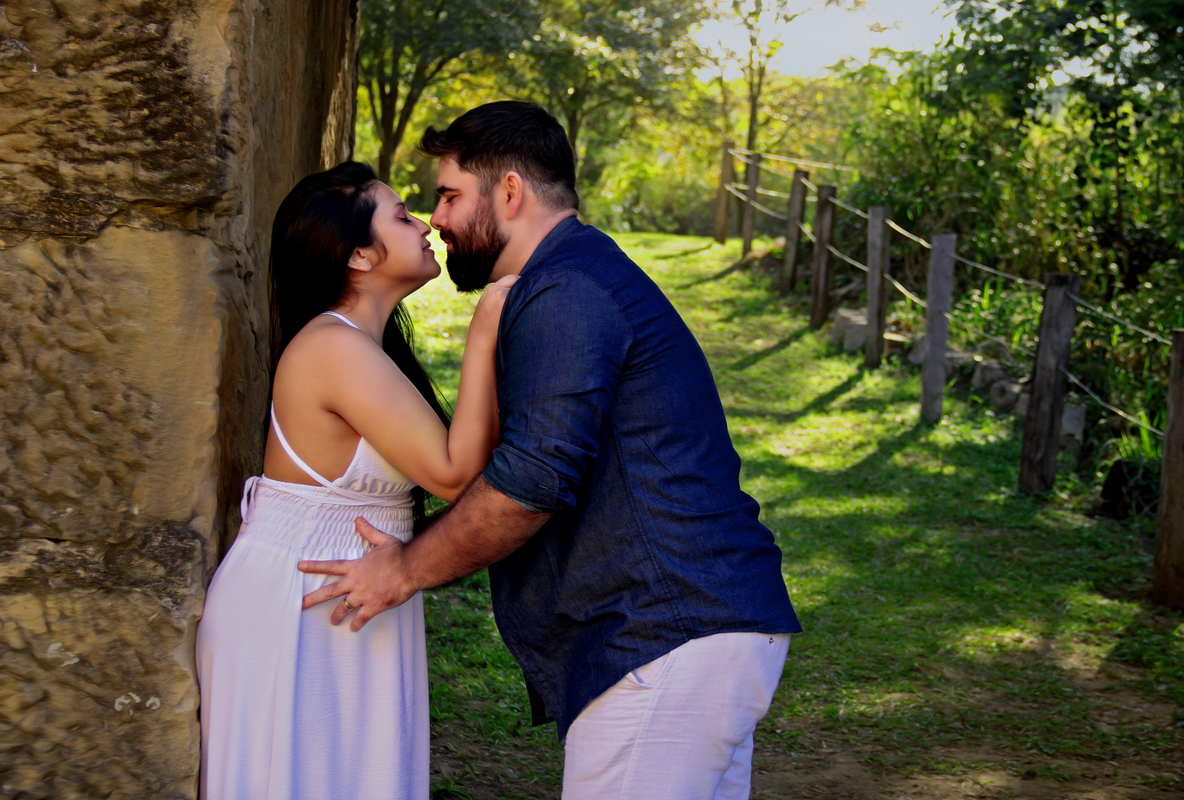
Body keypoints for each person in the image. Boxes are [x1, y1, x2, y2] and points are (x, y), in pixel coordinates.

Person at [299, 102, 801, 800]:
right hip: (690, 634)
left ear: (509, 192)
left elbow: (529, 483)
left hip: (665, 636)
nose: (437, 219)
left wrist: (404, 569)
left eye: (449, 195)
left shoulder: (566, 290)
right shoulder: (568, 278)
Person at [195, 161, 513, 800]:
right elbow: (454, 474)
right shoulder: (332, 347)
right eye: (401, 216)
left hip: (350, 594)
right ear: (360, 256)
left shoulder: (363, 348)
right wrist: (486, 327)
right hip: (300, 602)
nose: (424, 224)